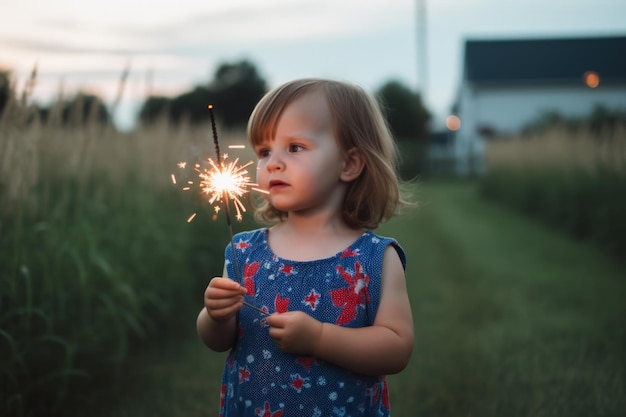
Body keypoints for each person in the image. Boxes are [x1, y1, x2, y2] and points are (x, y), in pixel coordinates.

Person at [196, 78, 414, 416]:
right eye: (264, 151)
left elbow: (397, 349)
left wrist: (320, 338)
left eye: (294, 147)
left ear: (349, 164)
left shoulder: (374, 259)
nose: (273, 163)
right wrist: (214, 315)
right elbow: (218, 341)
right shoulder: (243, 252)